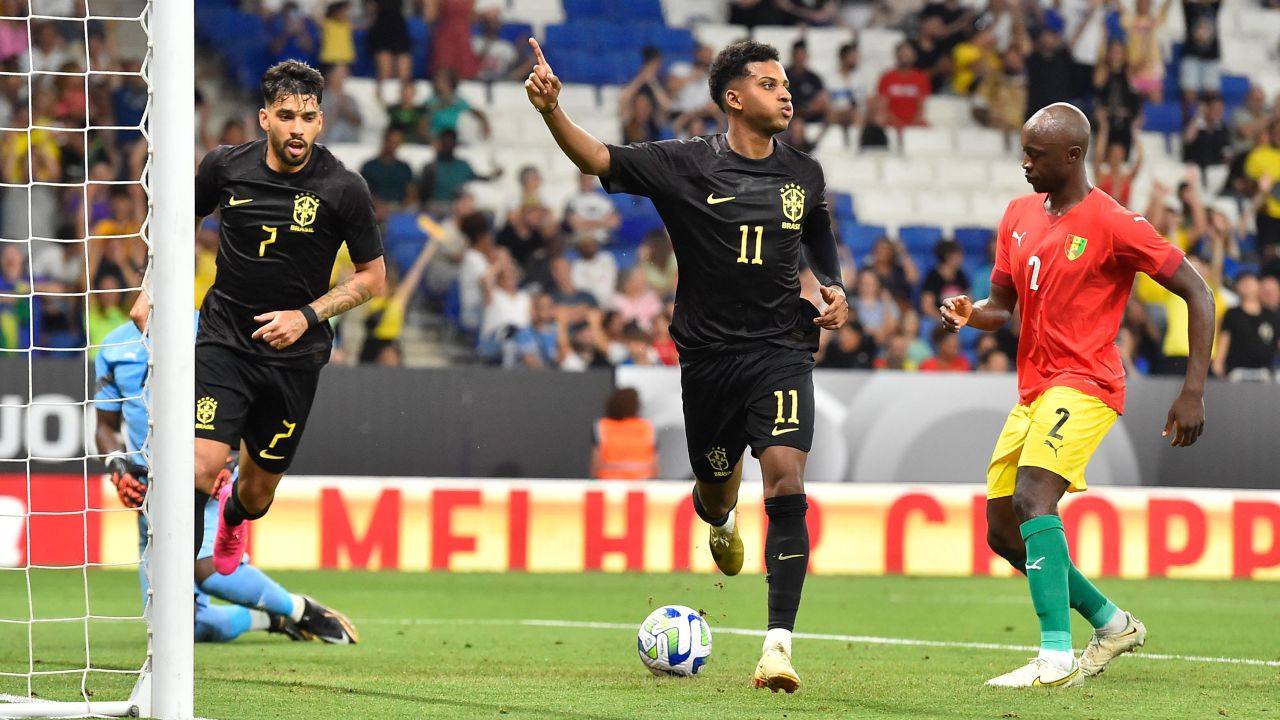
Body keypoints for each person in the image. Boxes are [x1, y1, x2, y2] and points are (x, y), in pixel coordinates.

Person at [525, 37, 848, 692]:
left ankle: (777, 646)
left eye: (785, 84)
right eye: (769, 83)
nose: (785, 93)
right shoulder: (684, 165)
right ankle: (721, 519)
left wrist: (832, 284)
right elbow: (598, 158)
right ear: (733, 98)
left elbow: (816, 226)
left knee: (785, 484)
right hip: (708, 361)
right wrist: (552, 111)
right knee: (716, 490)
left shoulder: (804, 174)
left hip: (782, 347)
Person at [939, 103, 1213, 688]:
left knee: (1034, 500)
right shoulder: (1017, 214)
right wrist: (971, 313)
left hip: (1087, 382)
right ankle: (1112, 624)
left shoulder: (1113, 222)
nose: (1024, 164)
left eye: (1035, 155)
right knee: (1002, 531)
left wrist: (1194, 390)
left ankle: (1054, 658)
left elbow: (1199, 293)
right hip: (1034, 390)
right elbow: (1002, 308)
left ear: (1072, 156)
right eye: (1024, 151)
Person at [193, 61, 386, 571]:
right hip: (224, 338)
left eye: (306, 117)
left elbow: (372, 278)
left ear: (320, 122)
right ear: (264, 119)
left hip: (293, 356)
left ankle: (234, 516)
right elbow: (178, 220)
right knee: (198, 465)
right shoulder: (223, 166)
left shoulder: (344, 188)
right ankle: (176, 592)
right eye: (285, 116)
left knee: (257, 494)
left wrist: (305, 316)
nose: (296, 128)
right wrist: (154, 289)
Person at [95, 315, 358, 644]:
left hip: (206, 475)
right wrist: (117, 468)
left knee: (209, 569)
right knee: (178, 627)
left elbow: (247, 395)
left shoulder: (213, 328)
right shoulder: (114, 345)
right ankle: (270, 618)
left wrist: (231, 455)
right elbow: (105, 424)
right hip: (149, 492)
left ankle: (300, 609)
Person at [1213, 271, 1279, 381]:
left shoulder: (1271, 316)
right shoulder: (1232, 314)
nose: (1247, 284)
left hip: (1265, 373)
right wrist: (1218, 363)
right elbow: (1224, 341)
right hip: (1237, 372)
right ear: (1237, 288)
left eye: (1251, 280)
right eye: (1242, 281)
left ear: (1258, 285)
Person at [590, 387, 658, 480]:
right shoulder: (646, 427)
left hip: (610, 484)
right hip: (641, 484)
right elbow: (655, 464)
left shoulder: (603, 426)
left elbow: (596, 463)